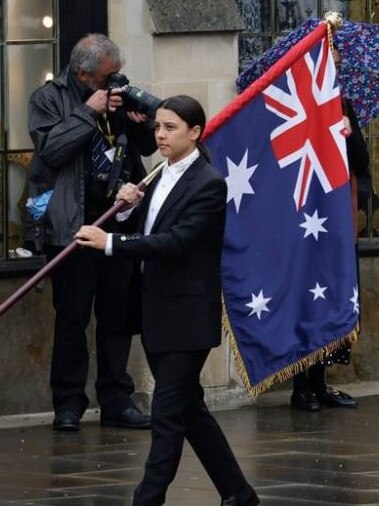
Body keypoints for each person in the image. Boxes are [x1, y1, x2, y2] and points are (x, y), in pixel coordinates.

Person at [75, 95, 259, 506]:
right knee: (190, 411)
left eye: (171, 127)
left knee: (167, 415)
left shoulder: (209, 183)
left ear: (195, 133)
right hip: (157, 314)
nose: (160, 134)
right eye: (158, 126)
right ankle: (239, 493)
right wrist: (125, 211)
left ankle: (148, 500)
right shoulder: (158, 174)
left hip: (187, 318)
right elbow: (149, 225)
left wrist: (111, 242)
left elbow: (175, 242)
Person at [28, 33, 157, 431]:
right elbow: (50, 152)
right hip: (74, 227)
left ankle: (117, 399)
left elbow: (145, 150)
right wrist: (88, 111)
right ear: (84, 75)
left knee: (116, 316)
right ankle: (68, 404)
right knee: (72, 317)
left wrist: (136, 122)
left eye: (117, 74)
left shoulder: (114, 94)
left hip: (118, 223)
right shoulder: (47, 98)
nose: (114, 81)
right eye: (107, 77)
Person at [290, 46, 371, 412]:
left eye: (336, 66)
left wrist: (348, 134)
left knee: (334, 293)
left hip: (335, 220)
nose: (333, 71)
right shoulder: (297, 104)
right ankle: (300, 385)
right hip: (303, 221)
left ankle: (321, 382)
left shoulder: (342, 104)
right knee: (304, 297)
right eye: (328, 64)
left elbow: (360, 160)